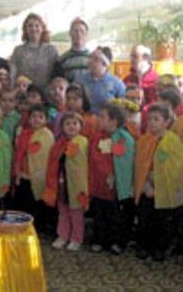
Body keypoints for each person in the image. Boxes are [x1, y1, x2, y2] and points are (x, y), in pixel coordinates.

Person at [133, 103, 183, 262]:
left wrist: (158, 183)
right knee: (145, 218)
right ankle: (143, 245)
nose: (152, 122)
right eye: (149, 119)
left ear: (166, 122)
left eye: (156, 119)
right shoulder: (144, 140)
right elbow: (139, 164)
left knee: (162, 220)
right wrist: (146, 183)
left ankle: (159, 248)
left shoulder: (172, 140)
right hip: (146, 186)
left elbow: (176, 166)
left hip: (164, 188)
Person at [88, 104, 135, 255]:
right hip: (98, 182)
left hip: (114, 185)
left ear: (113, 121)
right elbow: (92, 156)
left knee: (115, 215)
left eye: (103, 117)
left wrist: (114, 175)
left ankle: (117, 241)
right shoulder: (97, 136)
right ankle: (100, 239)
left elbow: (124, 162)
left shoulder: (122, 138)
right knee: (99, 213)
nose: (98, 119)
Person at [43, 112, 89, 252]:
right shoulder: (59, 144)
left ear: (80, 126)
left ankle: (76, 238)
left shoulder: (84, 142)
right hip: (61, 182)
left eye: (75, 123)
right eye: (67, 124)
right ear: (62, 127)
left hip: (77, 185)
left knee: (76, 213)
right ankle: (63, 235)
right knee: (63, 211)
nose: (71, 127)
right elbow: (53, 163)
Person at [12, 104, 55, 230]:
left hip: (39, 175)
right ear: (29, 119)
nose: (37, 119)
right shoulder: (24, 133)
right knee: (24, 202)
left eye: (40, 117)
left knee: (38, 202)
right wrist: (17, 171)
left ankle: (37, 227)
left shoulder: (47, 135)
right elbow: (19, 153)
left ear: (46, 120)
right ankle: (22, 226)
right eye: (34, 116)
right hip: (24, 174)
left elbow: (47, 156)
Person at [9, 13, 58, 88]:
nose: (33, 28)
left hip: (45, 92)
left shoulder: (51, 50)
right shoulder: (18, 51)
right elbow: (13, 75)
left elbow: (56, 75)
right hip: (24, 91)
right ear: (25, 29)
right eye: (30, 26)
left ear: (42, 28)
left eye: (37, 25)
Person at [79, 47, 126, 114]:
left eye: (96, 59)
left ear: (105, 63)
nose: (90, 61)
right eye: (90, 57)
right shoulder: (81, 80)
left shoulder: (116, 83)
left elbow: (124, 105)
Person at [53, 17, 90, 84]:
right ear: (70, 34)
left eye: (82, 31)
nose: (79, 34)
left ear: (86, 35)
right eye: (75, 31)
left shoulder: (93, 59)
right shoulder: (62, 60)